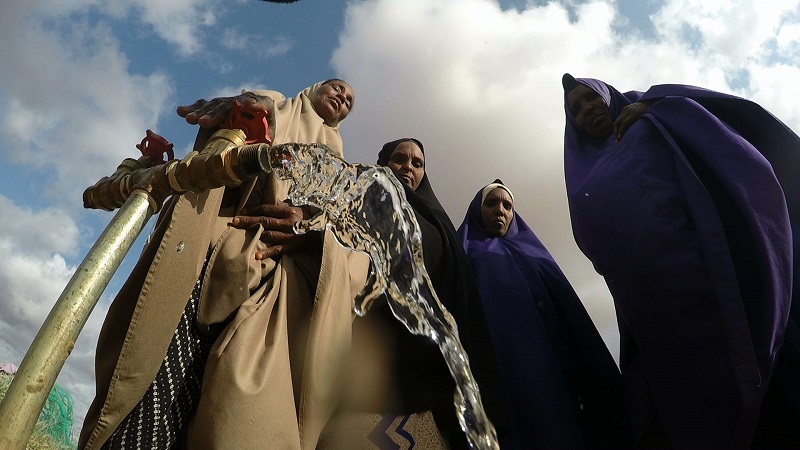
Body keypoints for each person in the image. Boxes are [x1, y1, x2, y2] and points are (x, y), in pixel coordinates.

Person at [79, 79, 373, 450]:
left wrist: (311, 230)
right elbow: (224, 152)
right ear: (313, 88)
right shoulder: (274, 105)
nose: (342, 98)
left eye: (349, 101)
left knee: (237, 417)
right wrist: (242, 114)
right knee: (155, 392)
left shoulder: (341, 165)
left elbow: (349, 245)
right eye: (337, 88)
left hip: (276, 294)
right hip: (214, 257)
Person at [562, 73, 799, 449]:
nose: (587, 109)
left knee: (776, 385)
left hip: (731, 273)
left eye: (591, 98)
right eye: (576, 109)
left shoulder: (651, 114)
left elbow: (726, 137)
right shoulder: (583, 179)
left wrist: (659, 112)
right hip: (676, 317)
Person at [319, 138, 507, 449]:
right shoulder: (358, 203)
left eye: (417, 163)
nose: (408, 167)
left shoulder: (437, 222)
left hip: (424, 380)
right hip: (364, 360)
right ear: (383, 164)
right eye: (399, 159)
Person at [457, 180, 628, 449]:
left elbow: (567, 311)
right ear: (477, 210)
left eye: (507, 205)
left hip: (545, 367)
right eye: (491, 204)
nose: (500, 210)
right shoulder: (464, 253)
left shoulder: (535, 254)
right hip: (494, 369)